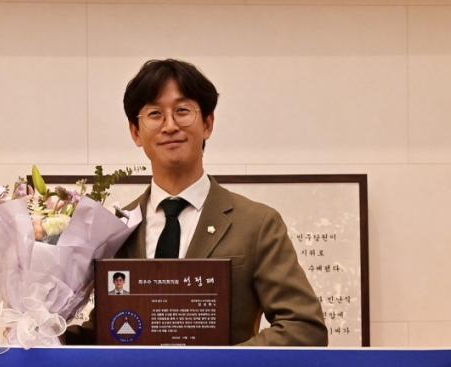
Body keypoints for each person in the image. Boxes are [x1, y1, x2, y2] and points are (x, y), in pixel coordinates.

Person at [68, 58, 327, 346]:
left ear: (207, 124)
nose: (170, 126)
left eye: (182, 111)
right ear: (136, 132)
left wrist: (217, 364)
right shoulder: (116, 228)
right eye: (154, 114)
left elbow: (304, 326)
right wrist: (39, 335)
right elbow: (107, 330)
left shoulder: (257, 223)